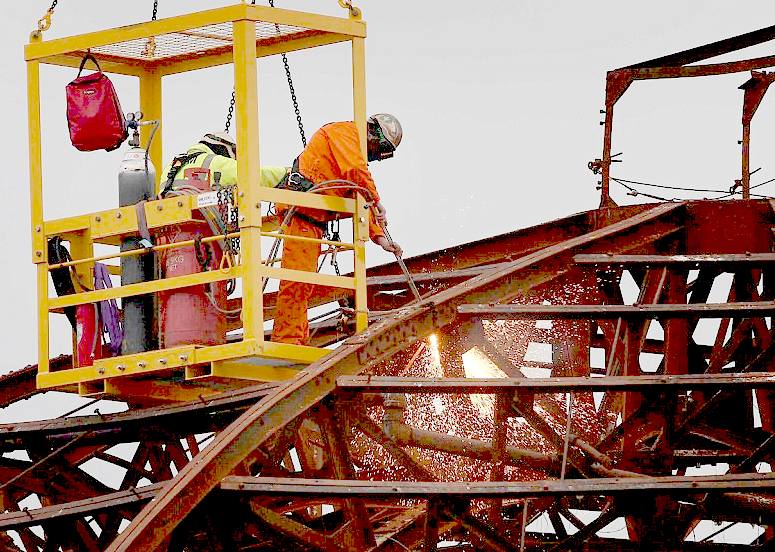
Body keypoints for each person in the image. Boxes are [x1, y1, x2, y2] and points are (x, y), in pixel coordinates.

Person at [272, 114, 404, 346]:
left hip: (312, 218)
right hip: (303, 213)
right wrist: (376, 199)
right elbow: (356, 172)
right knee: (297, 283)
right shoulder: (345, 133)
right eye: (379, 147)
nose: (374, 154)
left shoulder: (347, 149)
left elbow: (358, 195)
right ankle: (288, 341)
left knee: (303, 284)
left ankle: (295, 340)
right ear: (372, 132)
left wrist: (381, 238)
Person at [161, 132, 288, 192]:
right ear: (223, 148)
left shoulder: (171, 165)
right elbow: (255, 175)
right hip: (202, 231)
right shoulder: (214, 162)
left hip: (167, 235)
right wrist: (288, 173)